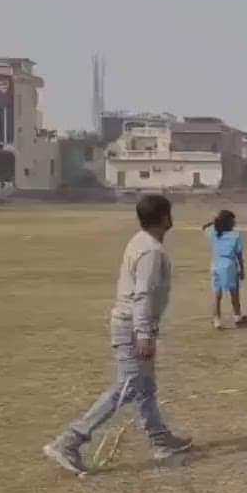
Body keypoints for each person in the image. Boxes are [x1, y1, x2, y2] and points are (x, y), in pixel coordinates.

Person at [43, 195, 191, 476]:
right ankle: (68, 442)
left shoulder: (142, 242)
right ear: (163, 218)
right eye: (169, 213)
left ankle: (160, 440)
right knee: (128, 387)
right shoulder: (150, 251)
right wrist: (144, 332)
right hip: (132, 325)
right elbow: (143, 294)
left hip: (135, 324)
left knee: (145, 387)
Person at [204, 210, 247, 329]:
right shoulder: (235, 235)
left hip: (216, 264)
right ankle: (237, 317)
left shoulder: (213, 233)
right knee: (234, 293)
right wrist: (242, 270)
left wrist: (216, 220)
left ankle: (217, 321)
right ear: (229, 222)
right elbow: (239, 255)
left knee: (217, 294)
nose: (234, 222)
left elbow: (205, 226)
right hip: (229, 264)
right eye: (232, 220)